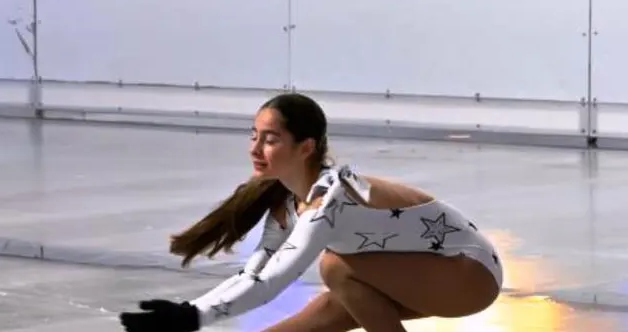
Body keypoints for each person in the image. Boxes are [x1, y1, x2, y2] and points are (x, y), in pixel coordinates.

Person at [119, 93, 503, 332]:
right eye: (254, 136)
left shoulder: (329, 200)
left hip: (469, 275)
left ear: (305, 148)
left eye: (270, 140)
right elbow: (254, 273)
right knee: (314, 316)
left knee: (335, 267)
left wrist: (193, 319)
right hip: (419, 274)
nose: (256, 149)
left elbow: (273, 282)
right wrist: (190, 311)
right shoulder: (287, 203)